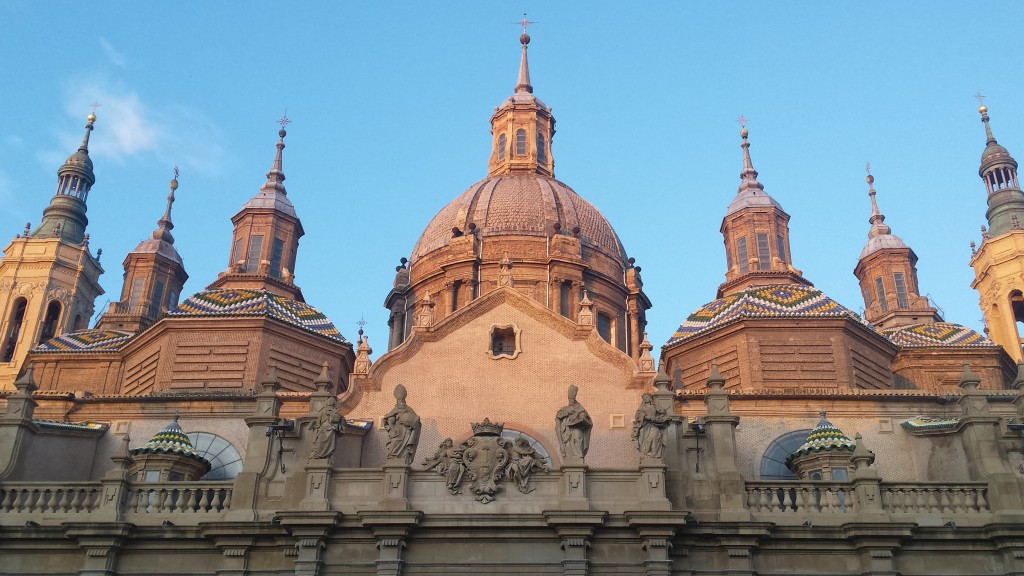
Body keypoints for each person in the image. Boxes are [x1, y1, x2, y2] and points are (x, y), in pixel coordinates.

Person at [382, 384, 421, 464]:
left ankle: (402, 458)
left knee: (404, 446)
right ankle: (393, 457)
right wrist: (391, 424)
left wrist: (409, 422)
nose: (401, 403)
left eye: (402, 401)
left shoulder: (409, 409)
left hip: (406, 431)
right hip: (396, 431)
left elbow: (416, 421)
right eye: (400, 401)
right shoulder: (395, 409)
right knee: (395, 441)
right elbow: (387, 418)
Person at [555, 385, 593, 459]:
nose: (571, 400)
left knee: (577, 438)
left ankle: (579, 454)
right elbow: (558, 416)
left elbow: (587, 419)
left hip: (577, 427)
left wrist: (582, 418)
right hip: (568, 429)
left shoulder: (580, 408)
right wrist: (567, 412)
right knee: (569, 443)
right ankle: (572, 455)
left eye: (573, 393)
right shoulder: (564, 409)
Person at [632, 393, 669, 458]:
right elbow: (637, 416)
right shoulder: (642, 407)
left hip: (655, 424)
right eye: (644, 398)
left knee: (655, 437)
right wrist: (646, 417)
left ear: (650, 398)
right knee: (647, 439)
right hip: (645, 426)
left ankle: (655, 453)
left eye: (647, 397)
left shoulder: (654, 406)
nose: (646, 399)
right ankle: (647, 453)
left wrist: (658, 418)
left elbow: (663, 413)